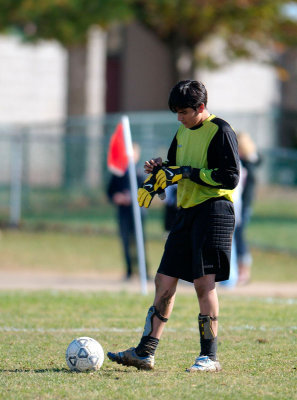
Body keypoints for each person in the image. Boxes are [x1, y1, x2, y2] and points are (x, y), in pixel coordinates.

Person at [107, 80, 240, 372]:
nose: (179, 118)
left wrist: (187, 172)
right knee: (164, 280)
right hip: (187, 211)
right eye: (176, 112)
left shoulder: (221, 131)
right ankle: (145, 351)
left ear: (201, 107)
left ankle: (210, 357)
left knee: (204, 284)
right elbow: (175, 168)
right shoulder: (182, 131)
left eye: (183, 112)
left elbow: (230, 177)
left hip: (215, 211)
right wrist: (159, 173)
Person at [107, 143, 147, 280]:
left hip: (138, 213)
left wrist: (133, 197)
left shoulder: (142, 172)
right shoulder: (119, 172)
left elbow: (147, 191)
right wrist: (117, 197)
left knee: (139, 241)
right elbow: (110, 191)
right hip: (123, 213)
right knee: (125, 241)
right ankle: (129, 271)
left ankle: (144, 271)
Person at [235, 132, 261, 285]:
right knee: (238, 236)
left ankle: (244, 272)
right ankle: (241, 271)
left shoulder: (248, 162)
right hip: (241, 204)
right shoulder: (249, 161)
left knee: (240, 236)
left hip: (243, 205)